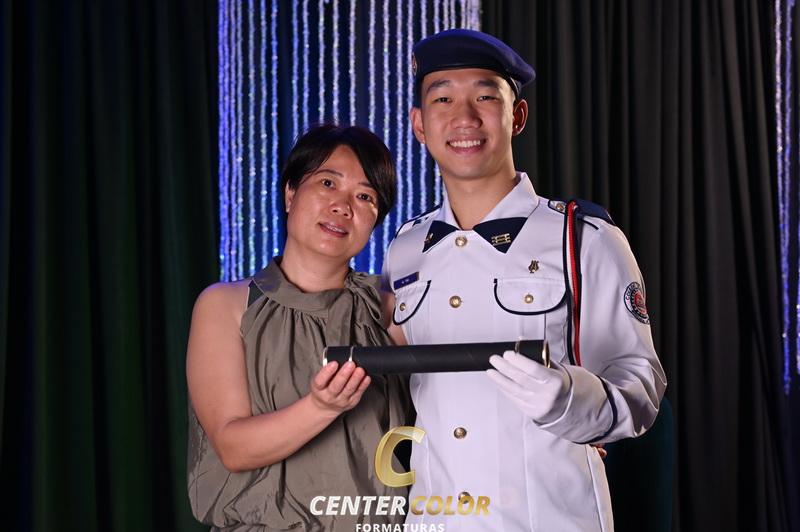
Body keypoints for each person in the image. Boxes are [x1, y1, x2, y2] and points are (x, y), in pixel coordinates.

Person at [381, 29, 667, 531]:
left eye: (485, 97)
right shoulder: (404, 249)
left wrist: (569, 399)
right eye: (443, 98)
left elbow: (641, 385)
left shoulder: (583, 239)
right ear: (419, 125)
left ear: (517, 116)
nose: (465, 117)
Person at [187, 124, 410, 531]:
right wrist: (321, 407)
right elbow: (233, 447)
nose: (343, 206)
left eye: (365, 197)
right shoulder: (225, 305)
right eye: (328, 183)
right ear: (291, 193)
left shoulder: (392, 309)